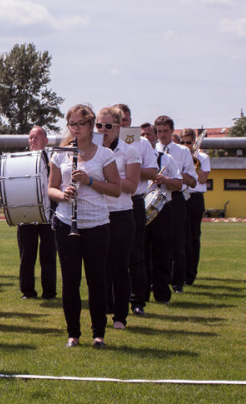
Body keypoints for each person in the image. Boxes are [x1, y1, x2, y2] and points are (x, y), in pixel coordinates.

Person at [48, 104, 121, 348]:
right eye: (72, 124)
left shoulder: (104, 154)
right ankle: (73, 334)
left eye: (81, 124)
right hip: (67, 221)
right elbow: (51, 188)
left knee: (96, 280)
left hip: (97, 223)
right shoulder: (60, 154)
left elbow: (115, 189)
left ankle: (98, 333)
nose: (76, 129)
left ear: (91, 126)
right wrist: (63, 194)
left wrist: (90, 181)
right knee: (70, 281)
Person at [97, 107, 140, 330]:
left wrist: (109, 179)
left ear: (118, 127)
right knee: (98, 268)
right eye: (99, 125)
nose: (102, 130)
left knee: (119, 267)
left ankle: (120, 317)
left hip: (121, 214)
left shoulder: (129, 151)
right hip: (96, 213)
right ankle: (103, 310)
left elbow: (132, 186)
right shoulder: (90, 150)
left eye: (108, 126)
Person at [114, 104, 158, 317]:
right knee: (109, 254)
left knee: (135, 254)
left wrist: (130, 167)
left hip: (134, 200)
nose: (123, 123)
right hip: (110, 202)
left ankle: (137, 300)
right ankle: (111, 299)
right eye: (119, 119)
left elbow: (152, 172)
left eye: (126, 119)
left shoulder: (141, 144)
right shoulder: (102, 143)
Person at [154, 116, 197, 293]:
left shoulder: (182, 152)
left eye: (165, 131)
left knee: (178, 241)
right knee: (155, 242)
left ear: (172, 131)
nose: (162, 135)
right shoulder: (151, 150)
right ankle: (155, 280)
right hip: (155, 198)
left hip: (176, 197)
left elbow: (192, 181)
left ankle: (178, 281)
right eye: (159, 131)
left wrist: (173, 176)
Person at [16, 125, 57, 300]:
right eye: (31, 138)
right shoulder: (20, 159)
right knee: (26, 256)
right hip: (27, 215)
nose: (33, 141)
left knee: (48, 256)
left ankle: (49, 292)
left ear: (46, 140)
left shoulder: (53, 158)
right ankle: (27, 291)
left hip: (48, 214)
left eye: (37, 137)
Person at [144, 122, 182, 304]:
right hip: (139, 209)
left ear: (155, 137)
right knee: (139, 255)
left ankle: (161, 294)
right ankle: (140, 295)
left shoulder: (166, 159)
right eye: (142, 135)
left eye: (149, 135)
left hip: (162, 208)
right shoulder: (133, 159)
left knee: (162, 253)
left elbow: (179, 184)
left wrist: (165, 179)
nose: (146, 138)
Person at [181, 128, 210, 285]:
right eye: (183, 142)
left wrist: (193, 164)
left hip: (196, 197)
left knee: (193, 237)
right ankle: (179, 272)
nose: (185, 145)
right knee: (180, 237)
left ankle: (191, 274)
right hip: (182, 197)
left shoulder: (203, 157)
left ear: (194, 143)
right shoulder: (178, 155)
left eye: (188, 142)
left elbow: (203, 179)